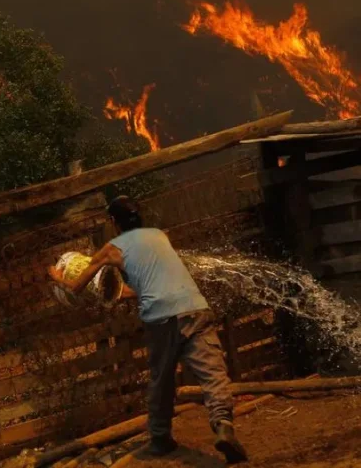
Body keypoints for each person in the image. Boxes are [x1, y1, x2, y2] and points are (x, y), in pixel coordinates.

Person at [48, 195, 249, 464]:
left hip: (161, 319)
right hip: (194, 307)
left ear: (113, 222)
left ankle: (160, 439)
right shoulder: (159, 235)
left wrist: (57, 278)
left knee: (161, 379)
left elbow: (76, 288)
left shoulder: (111, 248)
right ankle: (223, 423)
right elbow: (153, 282)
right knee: (212, 371)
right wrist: (117, 292)